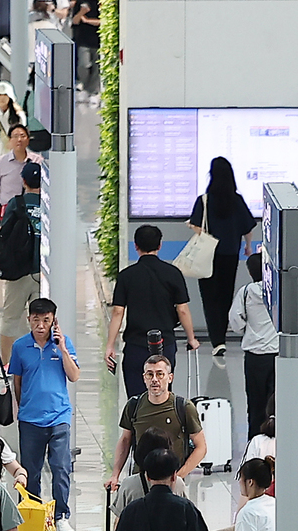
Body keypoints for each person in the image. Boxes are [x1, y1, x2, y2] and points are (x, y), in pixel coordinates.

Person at [8, 298, 79, 531]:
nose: (41, 325)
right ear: (29, 319)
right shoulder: (20, 347)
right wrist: (23, 407)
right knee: (30, 470)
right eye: (36, 320)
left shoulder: (63, 344)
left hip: (59, 416)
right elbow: (17, 382)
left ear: (53, 321)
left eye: (46, 320)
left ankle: (61, 516)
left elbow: (74, 375)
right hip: (30, 419)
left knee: (61, 467)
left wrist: (62, 349)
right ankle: (32, 514)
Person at [105, 226, 199, 398]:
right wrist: (191, 339)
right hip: (165, 345)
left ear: (136, 246)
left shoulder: (127, 276)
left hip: (135, 345)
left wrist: (110, 345)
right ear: (160, 245)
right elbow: (183, 310)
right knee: (161, 398)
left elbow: (118, 312)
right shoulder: (173, 273)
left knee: (136, 400)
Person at [107, 350, 207, 491]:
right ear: (144, 378)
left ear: (170, 377)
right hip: (140, 481)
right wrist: (115, 475)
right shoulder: (134, 406)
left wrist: (178, 477)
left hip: (172, 482)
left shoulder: (183, 407)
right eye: (150, 374)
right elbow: (125, 441)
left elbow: (201, 446)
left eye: (160, 374)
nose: (155, 379)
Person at [188, 154, 257, 356]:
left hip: (207, 255)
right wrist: (248, 246)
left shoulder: (205, 200)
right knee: (225, 295)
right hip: (230, 254)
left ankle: (217, 340)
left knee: (209, 297)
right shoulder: (236, 200)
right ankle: (222, 337)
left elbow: (195, 225)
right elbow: (248, 227)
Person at [0, 160, 44, 362]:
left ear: (23, 181)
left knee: (10, 319)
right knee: (41, 320)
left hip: (18, 273)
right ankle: (39, 359)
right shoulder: (50, 204)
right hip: (42, 270)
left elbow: (3, 234)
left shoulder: (16, 204)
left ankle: (6, 364)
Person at [229, 250, 278, 439]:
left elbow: (235, 321)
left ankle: (255, 442)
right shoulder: (277, 290)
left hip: (255, 356)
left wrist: (247, 330)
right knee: (276, 402)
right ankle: (277, 442)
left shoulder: (246, 292)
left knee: (256, 404)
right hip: (277, 354)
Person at [0, 120, 31, 233]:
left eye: (22, 136)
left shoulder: (37, 162)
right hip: (6, 213)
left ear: (28, 140)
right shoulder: (1, 162)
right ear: (10, 141)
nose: (19, 139)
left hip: (29, 214)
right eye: (15, 136)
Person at [72, 0, 102, 95]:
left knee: (97, 67)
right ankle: (85, 85)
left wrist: (88, 20)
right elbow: (74, 21)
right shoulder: (82, 1)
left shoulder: (102, 2)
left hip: (98, 39)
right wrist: (81, 13)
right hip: (83, 39)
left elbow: (103, 22)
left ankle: (92, 91)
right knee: (83, 65)